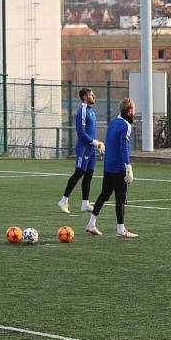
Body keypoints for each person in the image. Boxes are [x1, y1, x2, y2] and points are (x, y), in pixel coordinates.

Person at [85, 98, 137, 238]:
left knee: (104, 195)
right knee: (120, 199)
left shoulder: (113, 122)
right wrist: (128, 168)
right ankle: (121, 229)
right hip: (119, 167)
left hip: (108, 166)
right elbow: (123, 148)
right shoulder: (126, 125)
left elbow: (110, 143)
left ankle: (91, 224)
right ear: (129, 110)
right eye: (134, 109)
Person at [58, 88, 104, 213]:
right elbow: (81, 133)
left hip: (91, 149)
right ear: (84, 97)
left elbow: (90, 132)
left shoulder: (91, 112)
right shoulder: (82, 111)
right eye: (91, 94)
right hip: (83, 148)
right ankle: (63, 201)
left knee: (89, 174)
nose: (94, 96)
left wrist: (97, 145)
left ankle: (85, 203)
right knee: (79, 173)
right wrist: (95, 142)